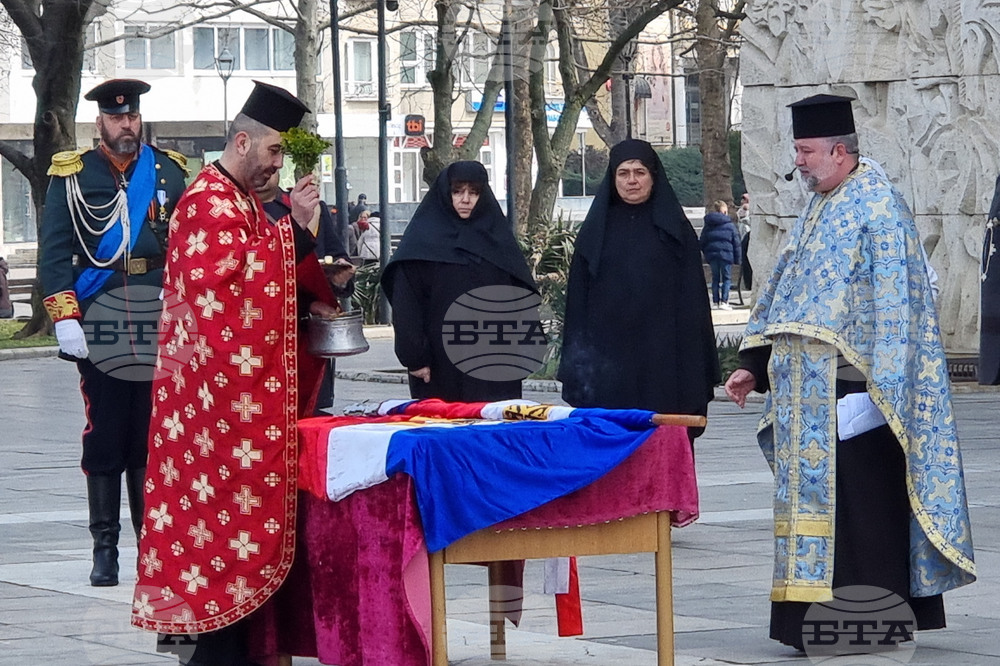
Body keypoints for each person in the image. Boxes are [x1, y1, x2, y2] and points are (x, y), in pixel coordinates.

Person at [724, 94, 976, 653]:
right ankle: (809, 623)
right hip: (807, 393)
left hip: (863, 394)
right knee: (825, 517)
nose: (799, 162)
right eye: (797, 150)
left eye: (806, 151)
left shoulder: (880, 209)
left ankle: (870, 623)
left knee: (865, 517)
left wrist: (880, 383)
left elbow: (898, 308)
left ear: (841, 151)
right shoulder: (818, 206)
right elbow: (788, 290)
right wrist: (754, 366)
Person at [130, 81, 340, 666]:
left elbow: (260, 281)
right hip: (208, 414)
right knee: (210, 540)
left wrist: (314, 281)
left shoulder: (243, 201)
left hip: (219, 410)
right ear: (243, 141)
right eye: (273, 152)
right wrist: (295, 231)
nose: (277, 165)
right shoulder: (206, 200)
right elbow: (225, 297)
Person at [38, 78, 188, 587]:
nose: (127, 124)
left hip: (156, 315)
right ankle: (105, 549)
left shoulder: (169, 170)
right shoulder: (73, 174)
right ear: (100, 122)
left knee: (151, 432)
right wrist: (63, 317)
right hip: (100, 315)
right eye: (117, 117)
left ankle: (153, 546)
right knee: (105, 431)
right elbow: (55, 250)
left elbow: (186, 249)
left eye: (133, 116)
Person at [558, 139, 720, 433]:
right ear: (613, 177)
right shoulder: (595, 232)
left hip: (664, 363)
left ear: (653, 176)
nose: (631, 180)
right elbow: (577, 305)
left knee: (663, 451)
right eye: (623, 173)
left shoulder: (677, 231)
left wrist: (693, 367)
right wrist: (576, 366)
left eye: (639, 172)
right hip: (606, 364)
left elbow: (694, 306)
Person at [381, 160, 538, 401]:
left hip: (494, 363)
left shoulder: (497, 242)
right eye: (457, 191)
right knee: (445, 433)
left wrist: (523, 353)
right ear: (445, 193)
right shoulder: (422, 243)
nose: (466, 199)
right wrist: (415, 357)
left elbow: (518, 298)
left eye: (474, 192)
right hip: (439, 365)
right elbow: (407, 307)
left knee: (493, 431)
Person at [256, 170, 356, 413]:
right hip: (265, 333)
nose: (265, 174)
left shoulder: (311, 207)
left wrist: (340, 277)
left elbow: (334, 252)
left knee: (312, 417)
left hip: (310, 335)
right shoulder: (242, 211)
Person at [699, 200, 742, 310]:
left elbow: (702, 241)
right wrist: (738, 259)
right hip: (726, 255)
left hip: (712, 255)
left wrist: (706, 253)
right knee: (727, 278)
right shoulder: (730, 225)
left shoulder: (708, 225)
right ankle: (724, 301)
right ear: (723, 211)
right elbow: (736, 243)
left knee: (715, 279)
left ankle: (715, 301)